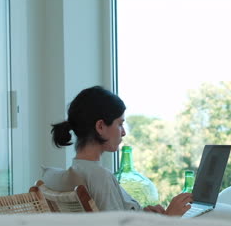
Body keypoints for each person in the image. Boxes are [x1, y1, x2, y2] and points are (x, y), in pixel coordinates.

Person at [51, 85, 192, 216]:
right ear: (100, 126)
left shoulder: (75, 173)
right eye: (120, 124)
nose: (123, 132)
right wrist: (170, 218)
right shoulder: (100, 177)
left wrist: (143, 216)